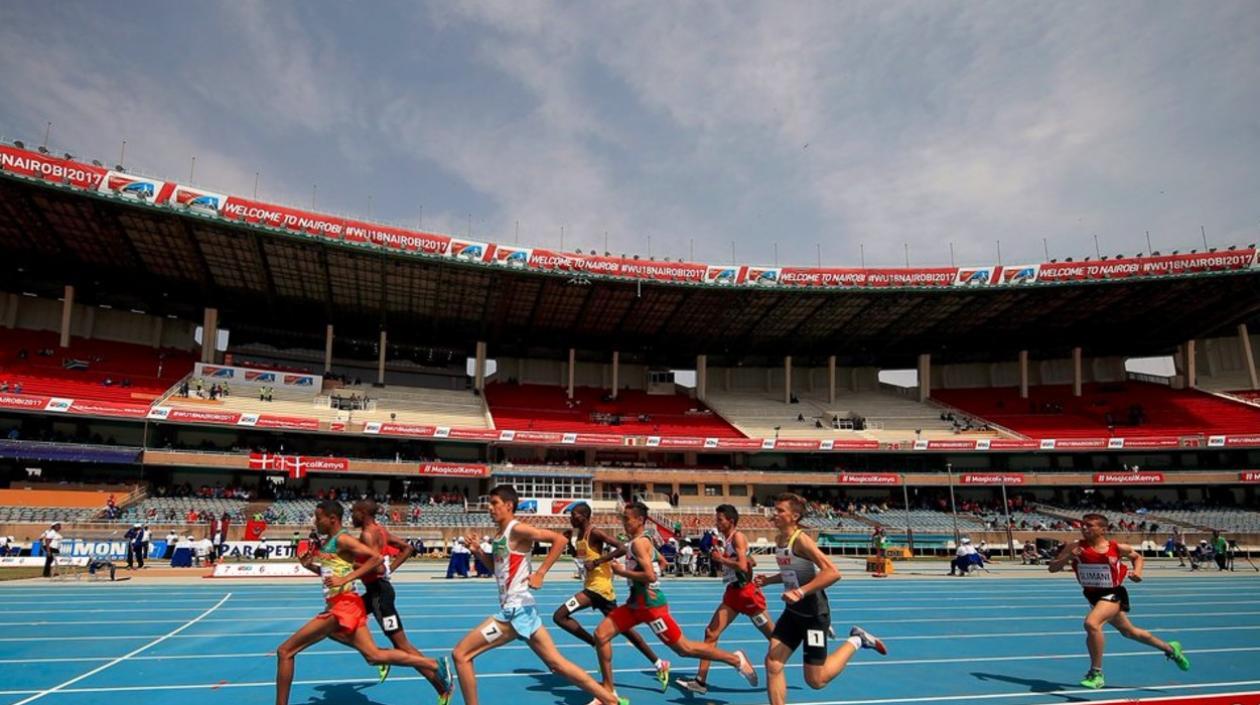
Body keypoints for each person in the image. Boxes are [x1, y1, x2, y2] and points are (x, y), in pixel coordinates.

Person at [451, 485, 625, 705]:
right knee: (556, 664)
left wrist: (540, 573)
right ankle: (609, 700)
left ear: (508, 505)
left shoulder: (517, 529)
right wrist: (477, 551)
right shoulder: (500, 535)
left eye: (494, 503)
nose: (490, 508)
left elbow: (559, 540)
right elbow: (497, 570)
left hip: (515, 612)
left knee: (461, 654)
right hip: (523, 610)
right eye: (489, 503)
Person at [275, 500, 443, 705]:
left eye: (318, 518)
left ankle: (437, 679)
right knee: (373, 655)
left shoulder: (353, 537)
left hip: (365, 598)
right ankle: (431, 664)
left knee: (285, 651)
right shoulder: (342, 539)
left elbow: (377, 561)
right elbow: (334, 573)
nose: (314, 522)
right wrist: (310, 566)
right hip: (355, 599)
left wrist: (349, 577)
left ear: (332, 519)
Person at [592, 502, 758, 701]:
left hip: (652, 608)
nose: (624, 522)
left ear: (640, 520)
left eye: (627, 519)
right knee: (601, 635)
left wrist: (622, 572)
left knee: (684, 649)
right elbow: (662, 562)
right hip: (635, 605)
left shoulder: (638, 543)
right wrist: (642, 582)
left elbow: (650, 576)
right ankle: (608, 691)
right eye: (623, 518)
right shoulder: (642, 541)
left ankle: (735, 659)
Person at [757, 493, 886, 705]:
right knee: (773, 663)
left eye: (780, 510)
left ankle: (857, 640)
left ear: (794, 516)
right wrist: (768, 580)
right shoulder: (780, 539)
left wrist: (800, 592)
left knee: (816, 681)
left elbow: (832, 572)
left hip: (813, 615)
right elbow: (792, 573)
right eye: (775, 509)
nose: (775, 514)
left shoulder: (802, 540)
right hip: (792, 613)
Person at [1047, 512, 1190, 689]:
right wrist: (1069, 557)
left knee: (1092, 624)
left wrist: (1137, 572)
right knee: (1129, 632)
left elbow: (1137, 557)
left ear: (1102, 529)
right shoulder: (1074, 546)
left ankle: (1096, 673)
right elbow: (1052, 568)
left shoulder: (1116, 547)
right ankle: (1170, 649)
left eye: (1089, 525)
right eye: (1083, 525)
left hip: (1113, 593)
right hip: (1093, 596)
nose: (1084, 528)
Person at [553, 503, 671, 692]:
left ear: (584, 516)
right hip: (592, 587)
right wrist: (568, 543)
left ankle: (595, 644)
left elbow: (623, 548)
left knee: (559, 616)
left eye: (574, 515)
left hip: (600, 588)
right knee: (627, 632)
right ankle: (658, 663)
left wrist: (599, 561)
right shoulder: (579, 536)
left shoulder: (595, 532)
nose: (570, 518)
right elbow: (582, 558)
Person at [351, 500, 453, 700]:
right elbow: (406, 548)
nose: (351, 516)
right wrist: (389, 570)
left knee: (403, 646)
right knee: (340, 625)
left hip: (379, 596)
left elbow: (378, 567)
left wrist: (349, 564)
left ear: (363, 513)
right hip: (375, 592)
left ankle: (441, 682)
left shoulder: (367, 534)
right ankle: (380, 657)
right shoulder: (380, 531)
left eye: (354, 512)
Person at [677, 504, 776, 696]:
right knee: (711, 632)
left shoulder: (737, 536)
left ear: (730, 521)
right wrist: (741, 560)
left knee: (775, 638)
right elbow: (748, 561)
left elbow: (740, 564)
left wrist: (721, 559)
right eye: (716, 519)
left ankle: (805, 646)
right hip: (733, 594)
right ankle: (700, 681)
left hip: (747, 595)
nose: (717, 522)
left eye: (720, 519)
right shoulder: (729, 540)